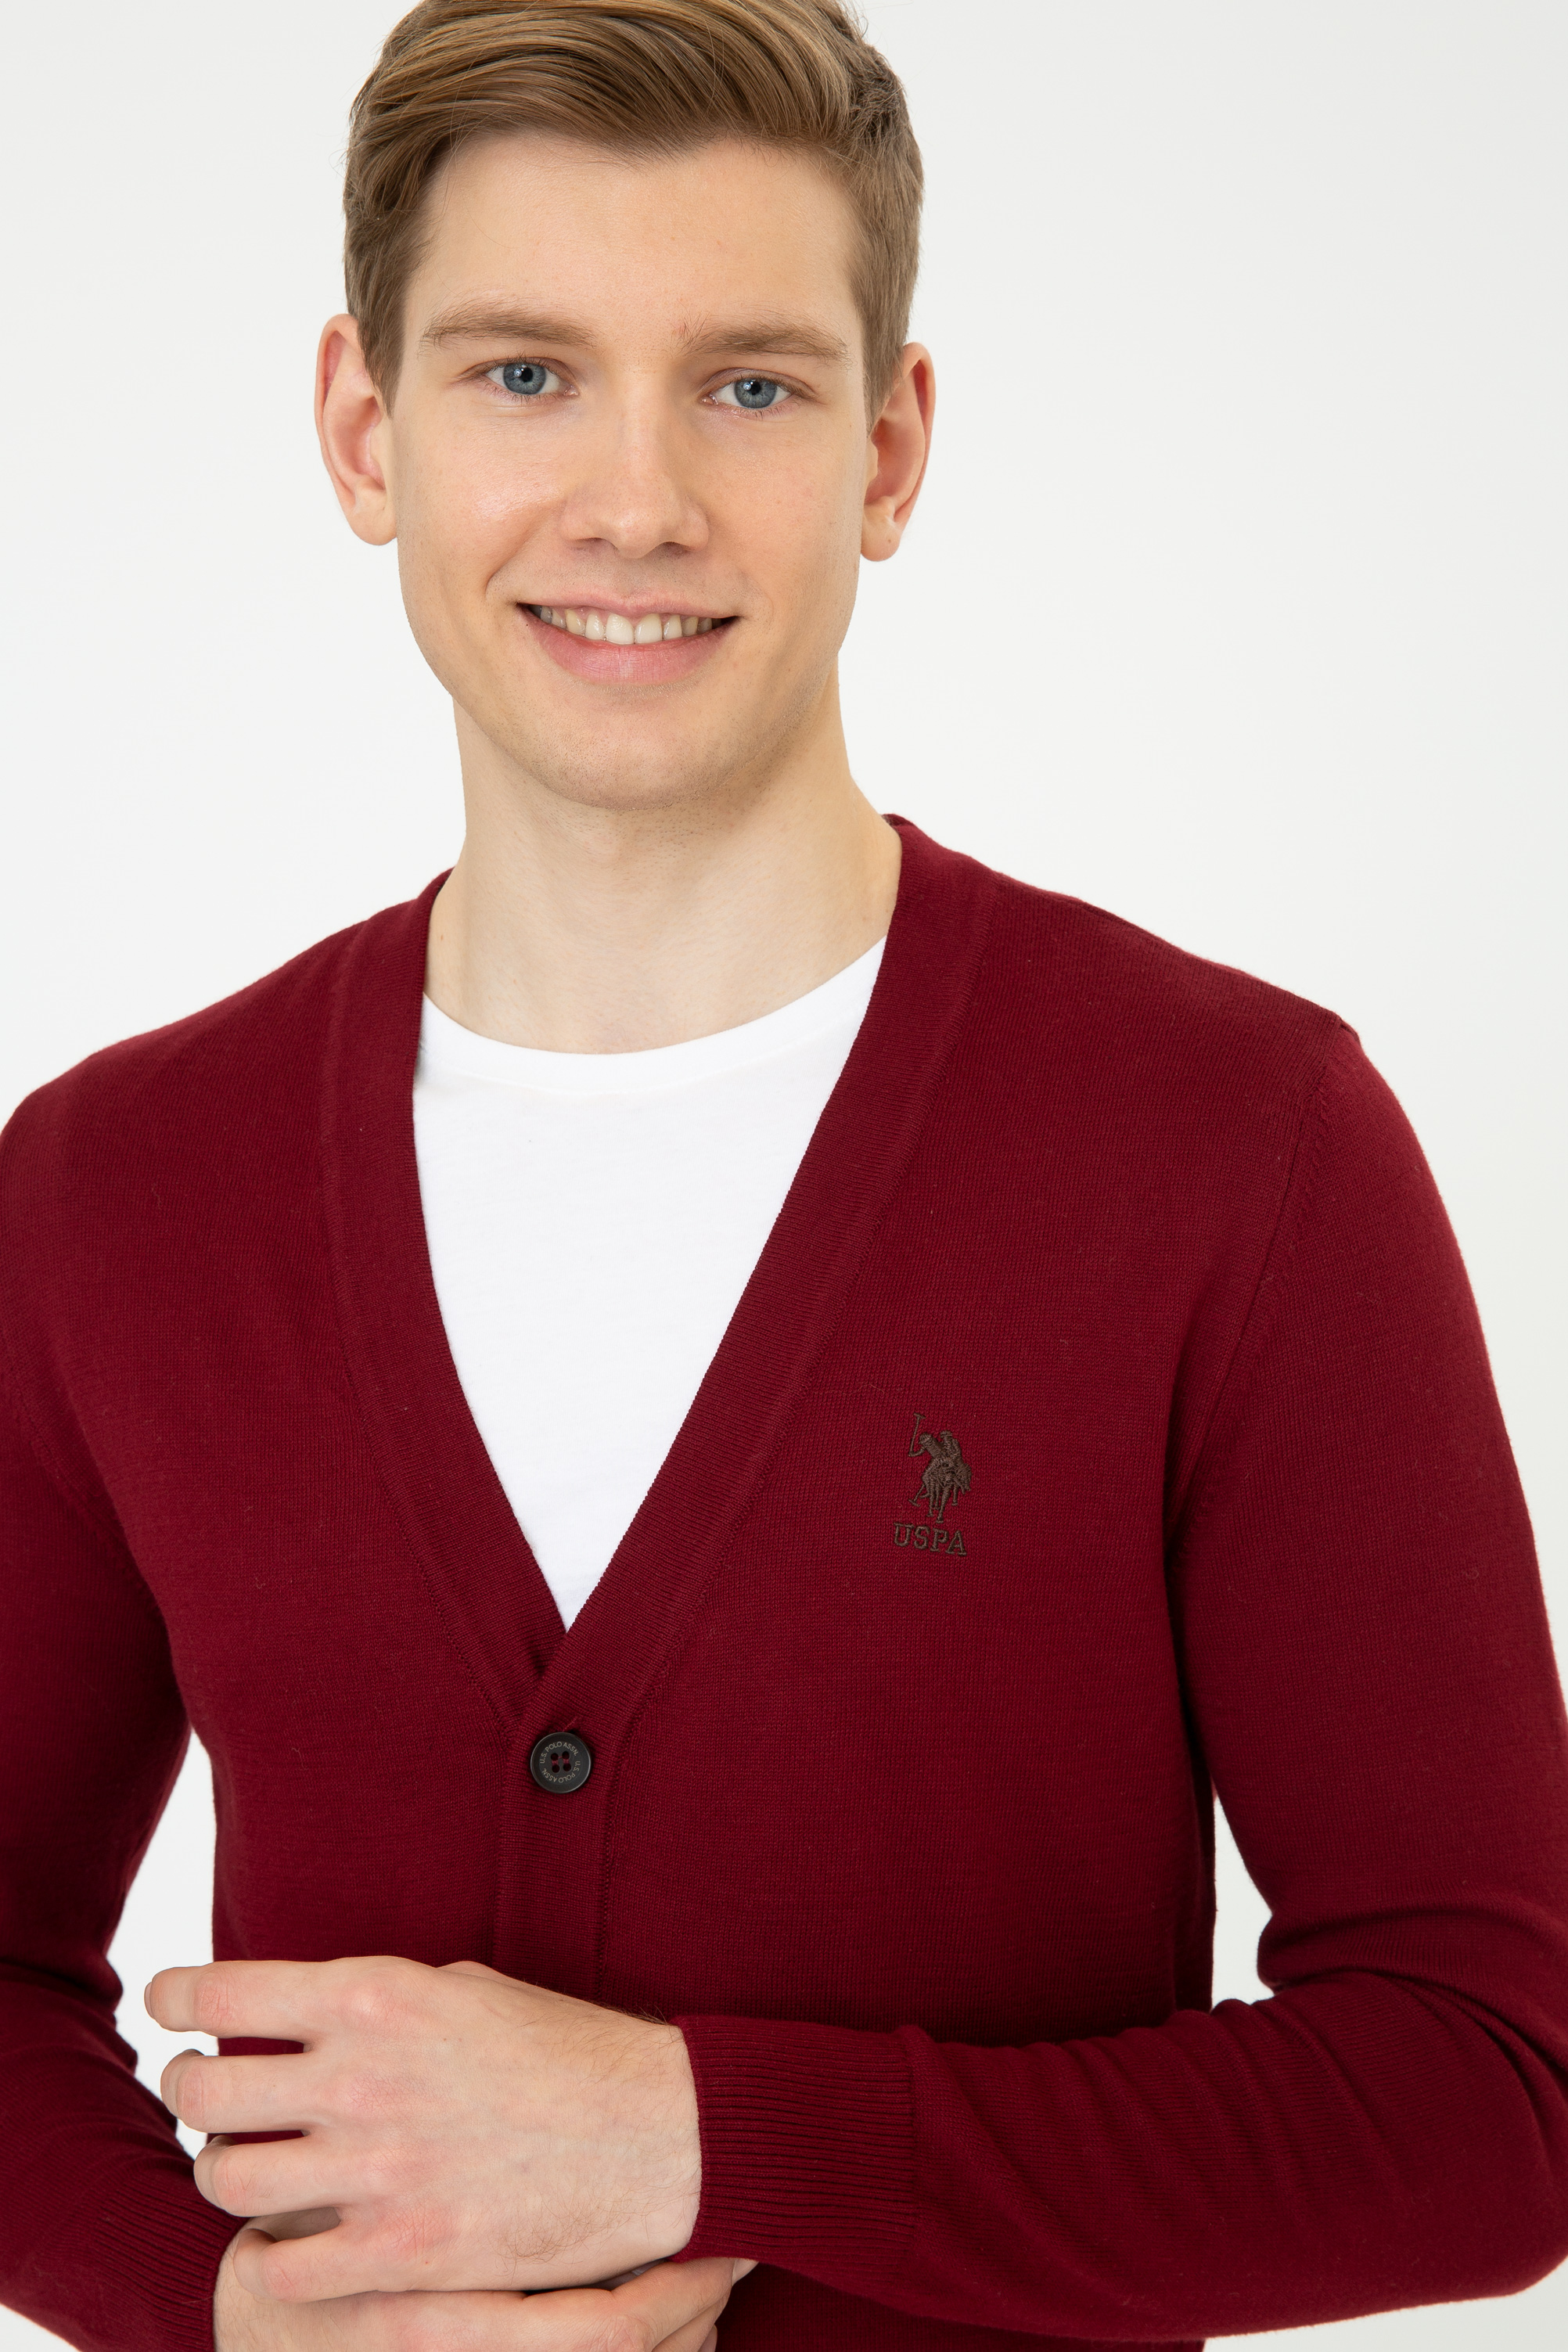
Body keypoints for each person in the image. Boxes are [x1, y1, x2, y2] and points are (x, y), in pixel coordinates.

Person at [2, 2, 1566, 2348]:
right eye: (524, 375)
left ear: (890, 447)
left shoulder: (1235, 1145)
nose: (634, 500)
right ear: (363, 428)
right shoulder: (115, 1191)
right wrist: (207, 2307)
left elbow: (1494, 2094)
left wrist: (703, 2134)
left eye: (747, 383)